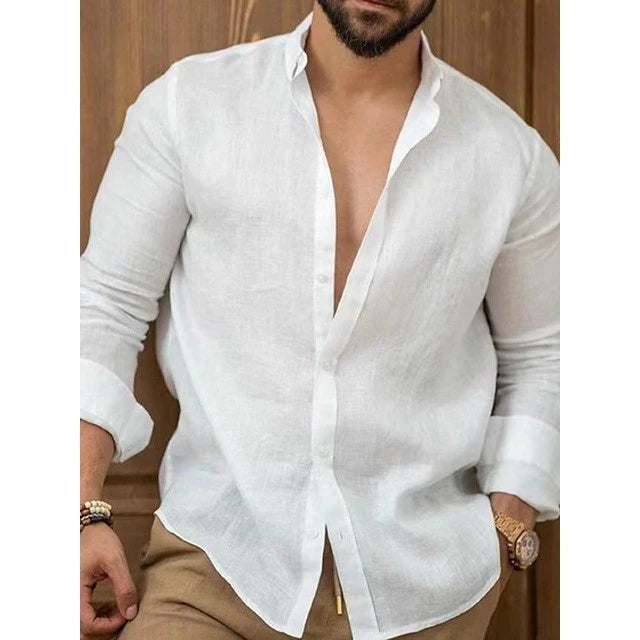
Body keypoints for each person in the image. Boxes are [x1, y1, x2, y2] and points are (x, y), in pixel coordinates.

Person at [79, 1, 560, 638]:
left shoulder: (511, 157)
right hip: (215, 570)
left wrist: (509, 522)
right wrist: (78, 513)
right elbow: (106, 306)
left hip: (432, 591)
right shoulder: (189, 105)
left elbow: (545, 357)